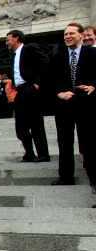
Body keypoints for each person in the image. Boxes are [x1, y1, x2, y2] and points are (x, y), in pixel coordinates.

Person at [50, 23, 96, 188]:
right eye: (65, 34)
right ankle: (65, 177)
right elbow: (50, 81)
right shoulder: (57, 56)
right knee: (64, 142)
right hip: (64, 106)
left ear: (81, 35)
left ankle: (94, 180)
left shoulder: (92, 52)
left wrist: (94, 86)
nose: (67, 37)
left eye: (71, 33)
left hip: (87, 105)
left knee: (89, 144)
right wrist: (59, 93)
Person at [6, 29, 50, 162]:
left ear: (16, 38)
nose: (6, 42)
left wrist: (37, 83)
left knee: (36, 124)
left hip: (31, 88)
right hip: (20, 91)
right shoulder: (13, 55)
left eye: (8, 39)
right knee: (20, 126)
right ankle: (29, 153)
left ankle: (43, 155)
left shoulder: (29, 48)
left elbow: (45, 62)